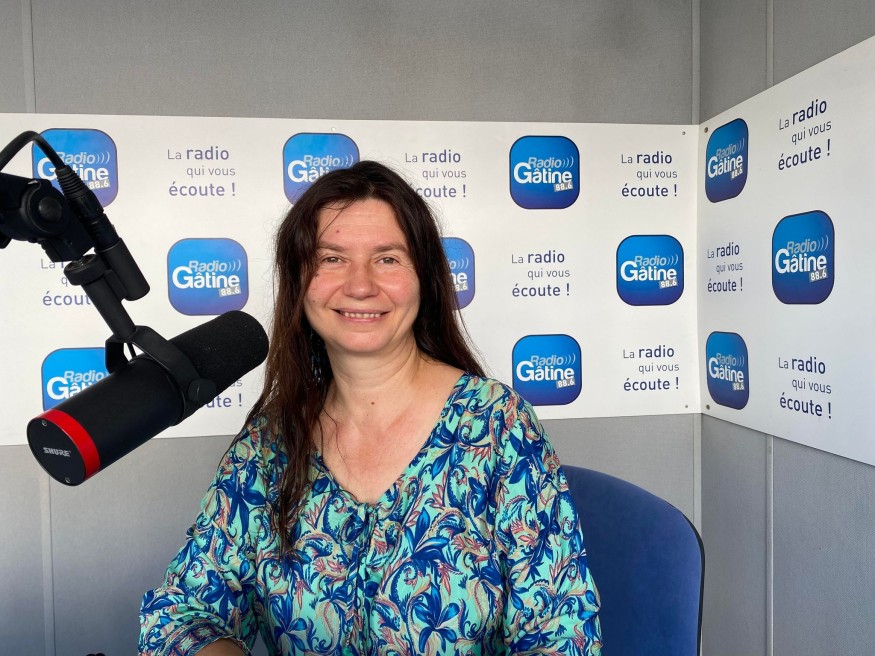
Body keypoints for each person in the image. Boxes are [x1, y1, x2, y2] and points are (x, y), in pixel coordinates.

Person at [139, 161, 602, 655]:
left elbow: (561, 637)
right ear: (299, 282)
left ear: (424, 278)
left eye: (387, 258)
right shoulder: (268, 445)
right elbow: (181, 615)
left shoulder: (497, 426)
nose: (360, 285)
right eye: (331, 258)